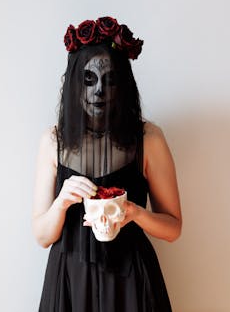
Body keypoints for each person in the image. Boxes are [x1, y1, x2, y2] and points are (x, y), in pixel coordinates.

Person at [32, 16, 182, 312]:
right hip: (69, 281)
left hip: (131, 280)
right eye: (89, 80)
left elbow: (173, 227)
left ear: (123, 85)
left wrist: (135, 213)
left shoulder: (148, 139)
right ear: (74, 84)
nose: (99, 90)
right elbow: (42, 236)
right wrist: (62, 202)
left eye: (110, 80)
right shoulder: (53, 141)